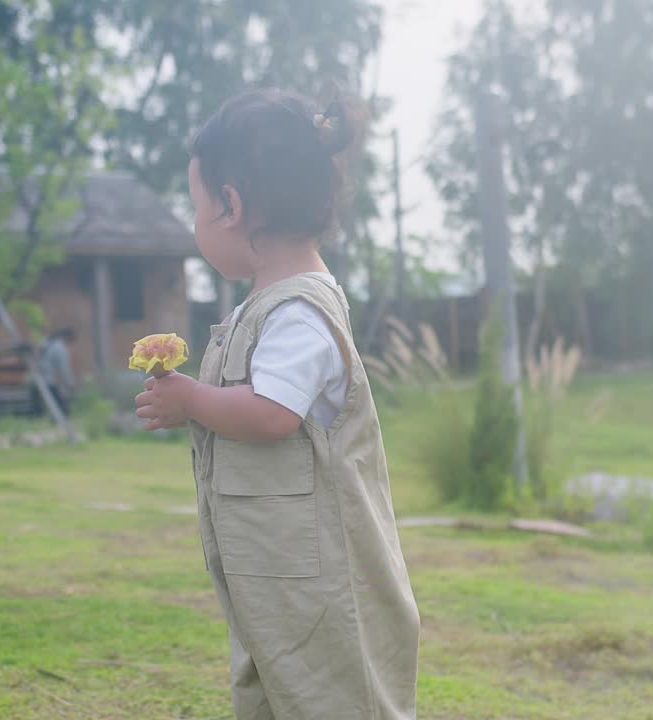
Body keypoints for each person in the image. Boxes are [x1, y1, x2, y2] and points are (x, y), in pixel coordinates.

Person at [134, 89, 420, 719]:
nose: (197, 222)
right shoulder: (266, 309)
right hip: (273, 575)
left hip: (317, 582)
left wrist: (190, 399)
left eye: (197, 206)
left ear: (232, 206)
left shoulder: (298, 311)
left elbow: (271, 414)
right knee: (276, 692)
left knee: (333, 695)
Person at [35, 327, 77, 415]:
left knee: (50, 404)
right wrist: (71, 385)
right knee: (62, 410)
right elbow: (64, 369)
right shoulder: (59, 348)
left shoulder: (46, 341)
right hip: (48, 381)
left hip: (38, 379)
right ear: (68, 337)